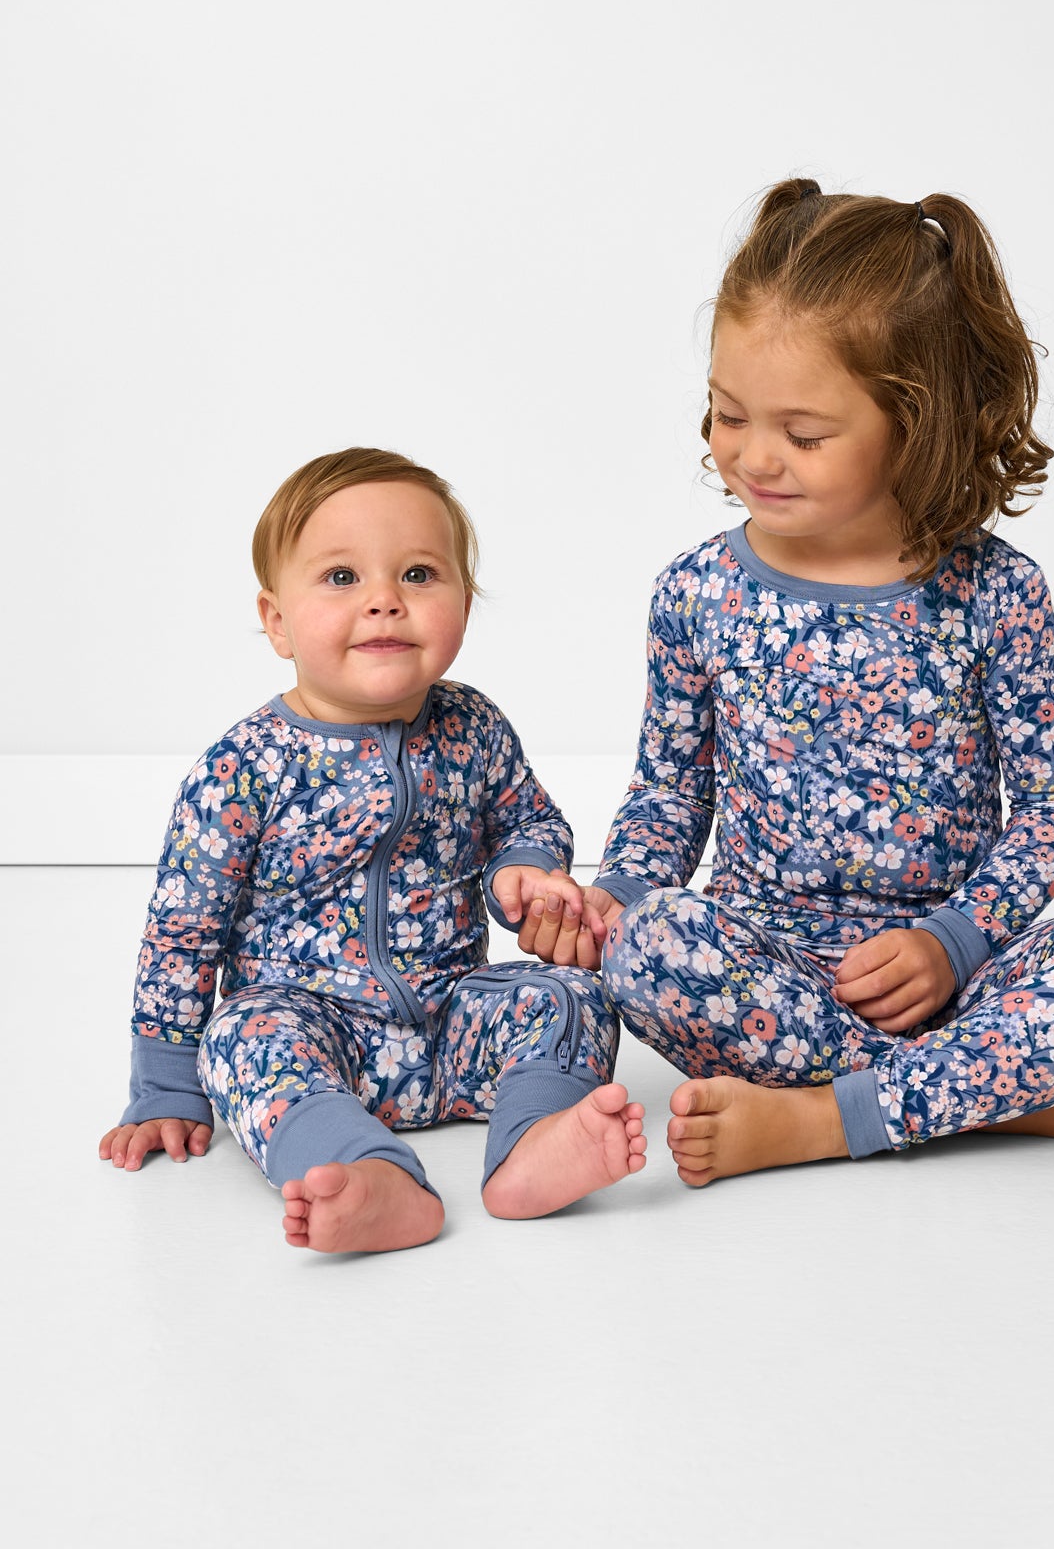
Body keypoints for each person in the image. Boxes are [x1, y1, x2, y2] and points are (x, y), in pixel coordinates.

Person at [521, 179, 1054, 1185]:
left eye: (803, 434)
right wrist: (614, 895)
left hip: (957, 968)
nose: (755, 456)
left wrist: (954, 939)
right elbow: (672, 792)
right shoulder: (694, 591)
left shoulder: (995, 592)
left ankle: (821, 1120)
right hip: (768, 970)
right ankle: (998, 1101)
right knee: (650, 947)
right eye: (727, 415)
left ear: (913, 424)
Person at [99, 447, 645, 1249]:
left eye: (420, 575)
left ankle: (532, 1143)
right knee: (241, 1039)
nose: (386, 601)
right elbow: (183, 931)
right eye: (343, 578)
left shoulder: (473, 725)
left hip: (453, 1021)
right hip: (314, 1029)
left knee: (573, 996)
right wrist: (165, 1085)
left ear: (466, 597)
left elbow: (528, 819)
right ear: (277, 621)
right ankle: (367, 1173)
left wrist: (524, 874)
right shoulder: (242, 767)